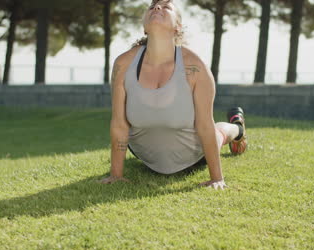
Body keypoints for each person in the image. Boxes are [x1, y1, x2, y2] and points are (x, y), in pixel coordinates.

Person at [99, 0, 247, 190]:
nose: (157, 8)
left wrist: (216, 178)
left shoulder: (194, 67)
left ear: (177, 27)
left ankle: (237, 128)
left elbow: (204, 125)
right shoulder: (123, 64)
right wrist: (116, 174)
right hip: (147, 157)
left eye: (166, 7)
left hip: (193, 154)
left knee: (218, 134)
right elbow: (119, 123)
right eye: (151, 7)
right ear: (145, 27)